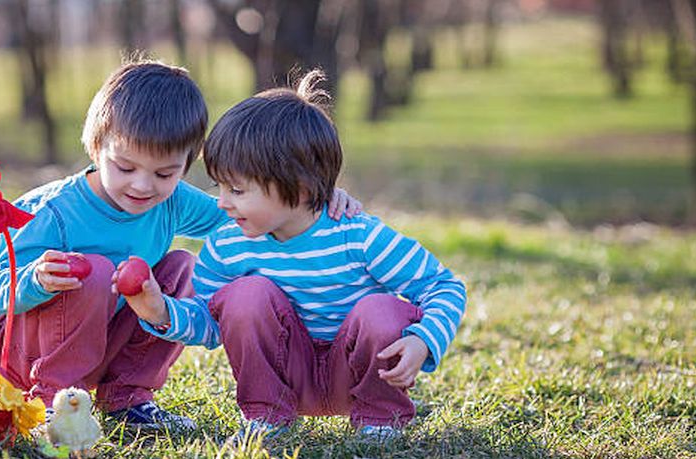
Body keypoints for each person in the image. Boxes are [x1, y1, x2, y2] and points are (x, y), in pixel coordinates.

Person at [0, 60, 360, 431]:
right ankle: (54, 406)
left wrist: (314, 206)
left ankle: (127, 397)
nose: (142, 185)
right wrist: (35, 280)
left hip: (96, 341)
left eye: (164, 173)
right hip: (21, 351)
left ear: (186, 163)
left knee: (181, 268)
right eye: (125, 167)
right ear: (96, 146)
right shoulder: (51, 211)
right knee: (96, 271)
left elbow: (247, 218)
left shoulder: (170, 200)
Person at [123, 70, 466, 439]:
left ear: (300, 188)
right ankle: (266, 417)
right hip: (286, 375)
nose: (222, 203)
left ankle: (379, 421)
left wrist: (424, 339)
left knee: (380, 310)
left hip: (355, 374)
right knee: (245, 296)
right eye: (219, 186)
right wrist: (161, 313)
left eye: (237, 190)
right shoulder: (226, 245)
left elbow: (444, 286)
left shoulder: (358, 235)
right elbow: (211, 322)